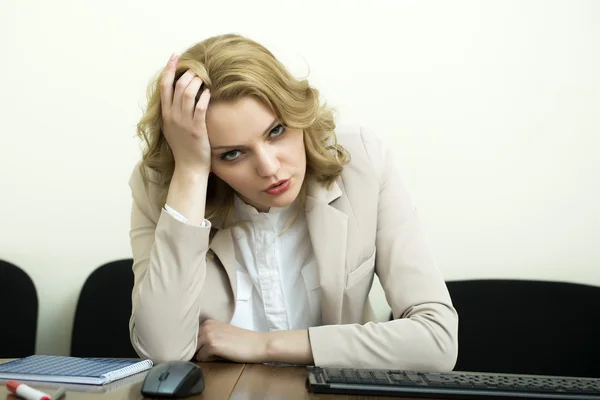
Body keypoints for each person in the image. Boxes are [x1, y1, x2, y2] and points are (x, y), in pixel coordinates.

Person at [128, 33, 458, 370]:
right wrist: (191, 173)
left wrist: (266, 345)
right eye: (232, 154)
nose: (270, 168)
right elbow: (163, 353)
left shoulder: (361, 163)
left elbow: (437, 341)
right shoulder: (163, 188)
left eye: (276, 131)